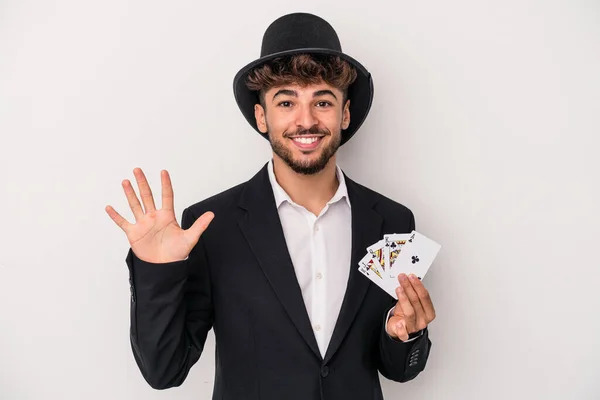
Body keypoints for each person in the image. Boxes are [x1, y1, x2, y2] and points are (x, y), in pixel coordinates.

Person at [106, 12, 436, 400]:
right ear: (261, 116)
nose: (306, 120)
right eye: (286, 102)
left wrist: (405, 333)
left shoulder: (393, 221)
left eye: (323, 101)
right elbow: (164, 371)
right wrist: (158, 271)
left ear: (345, 114)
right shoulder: (211, 226)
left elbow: (397, 368)